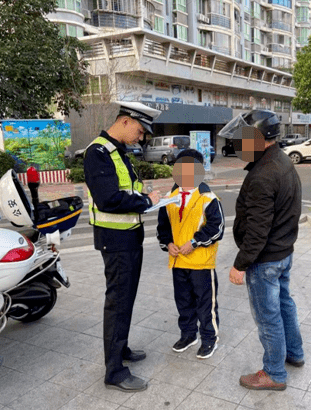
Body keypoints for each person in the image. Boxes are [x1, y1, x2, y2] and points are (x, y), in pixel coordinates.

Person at [219, 110, 304, 391]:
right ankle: (294, 353)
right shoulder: (280, 160)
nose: (238, 145)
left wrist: (239, 264)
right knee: (284, 305)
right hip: (282, 252)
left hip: (265, 259)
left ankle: (275, 373)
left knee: (268, 317)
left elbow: (257, 231)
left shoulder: (263, 175)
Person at [83, 101, 162, 393]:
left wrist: (147, 192)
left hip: (129, 237)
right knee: (117, 303)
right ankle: (114, 371)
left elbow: (127, 186)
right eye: (140, 131)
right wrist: (147, 202)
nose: (140, 138)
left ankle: (121, 348)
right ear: (126, 121)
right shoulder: (98, 153)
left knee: (125, 299)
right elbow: (108, 200)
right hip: (115, 241)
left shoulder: (118, 151)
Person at [156, 149, 225, 359]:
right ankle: (188, 335)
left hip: (201, 263)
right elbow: (163, 227)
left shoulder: (208, 198)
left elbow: (217, 228)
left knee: (206, 304)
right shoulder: (169, 198)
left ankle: (209, 338)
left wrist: (194, 242)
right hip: (178, 261)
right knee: (183, 302)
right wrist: (167, 243)